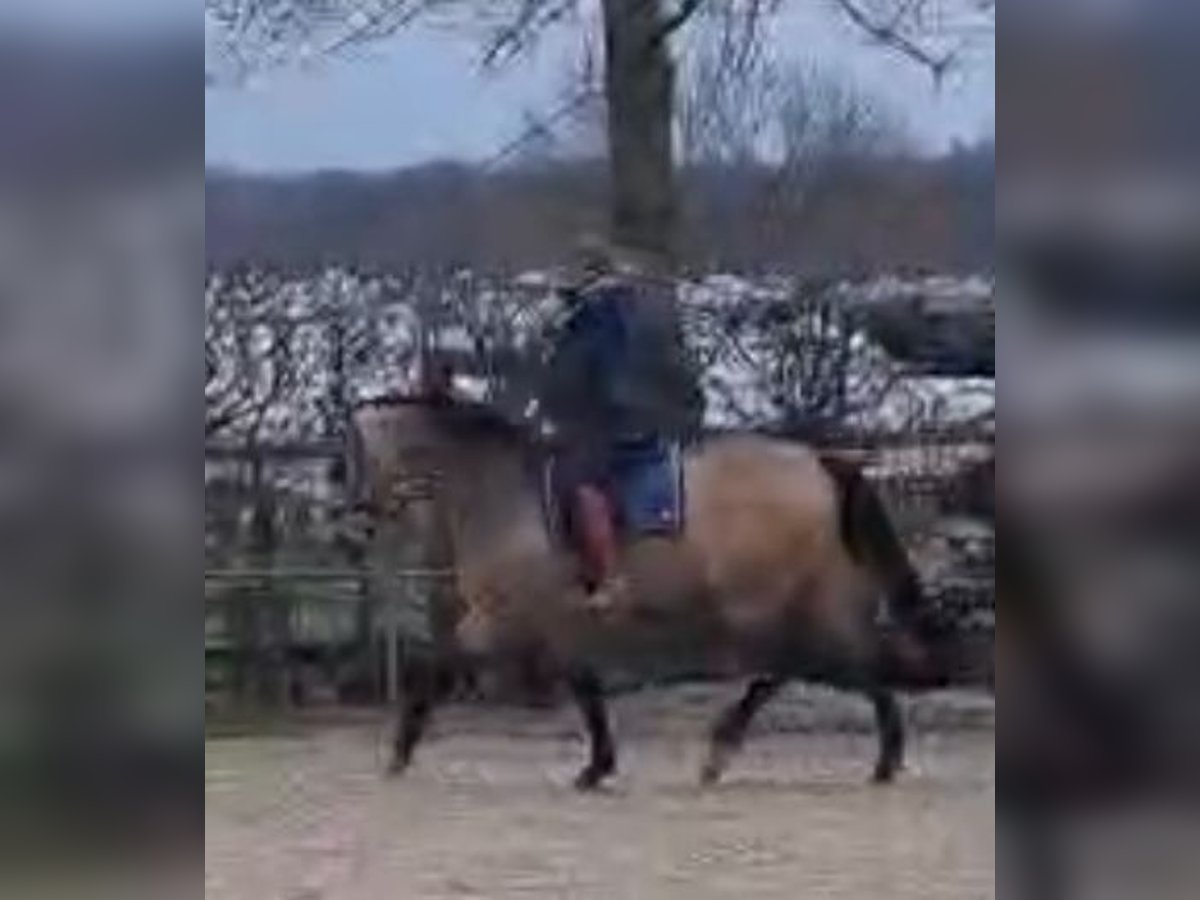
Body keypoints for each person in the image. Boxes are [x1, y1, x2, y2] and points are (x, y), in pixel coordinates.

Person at [539, 236, 703, 612]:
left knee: (584, 481)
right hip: (601, 420)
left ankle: (612, 579)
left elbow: (611, 383)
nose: (557, 296)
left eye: (564, 289)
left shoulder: (611, 320)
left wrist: (574, 419)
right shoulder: (582, 322)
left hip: (624, 426)